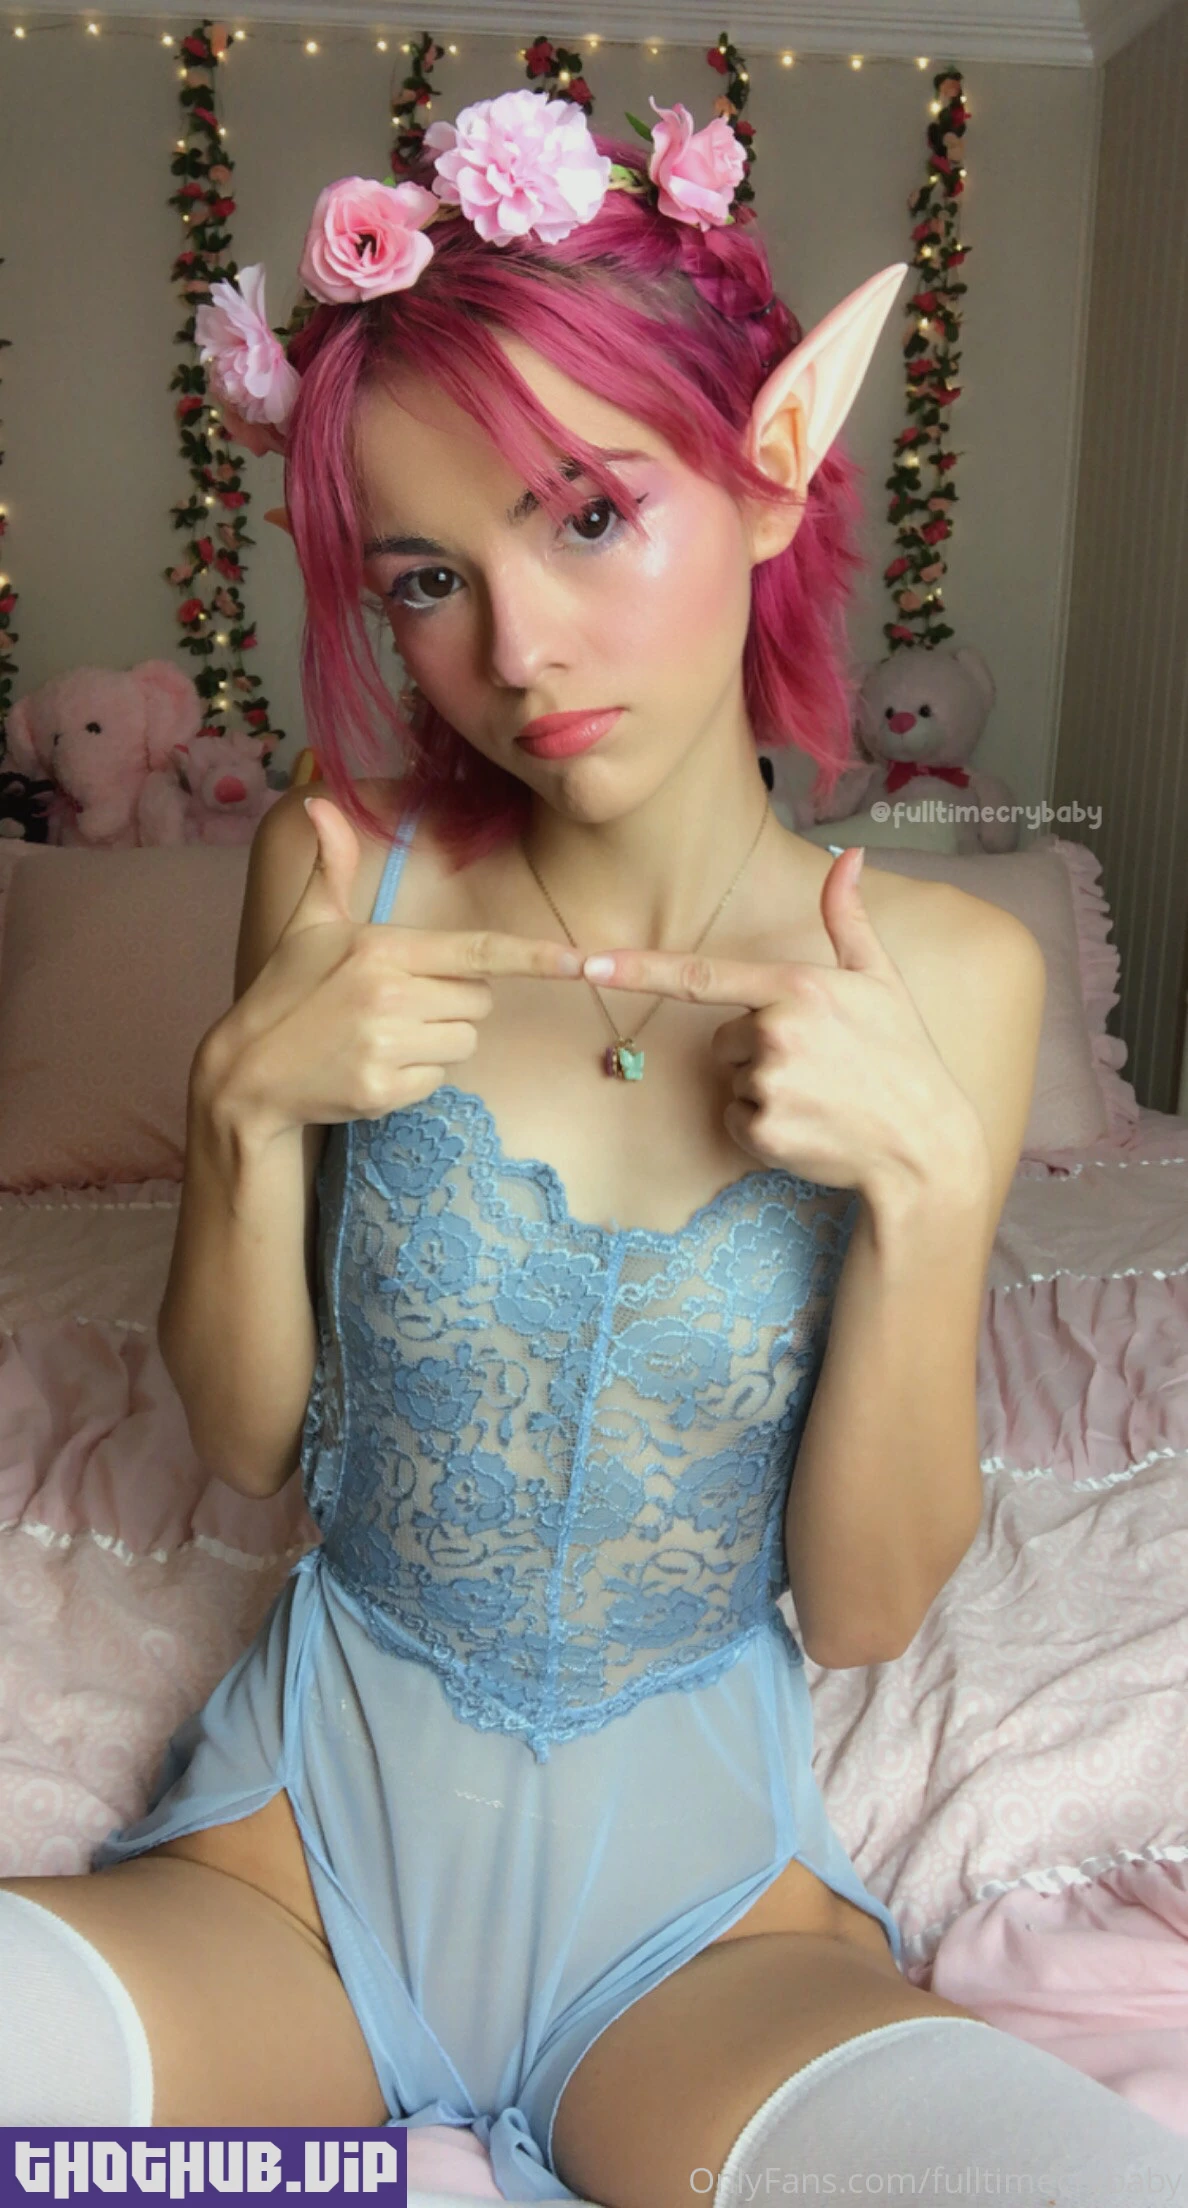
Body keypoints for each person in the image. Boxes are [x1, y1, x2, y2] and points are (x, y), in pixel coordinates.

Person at [3, 84, 1186, 2208]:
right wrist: (242, 1108)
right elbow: (250, 1447)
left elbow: (862, 1609)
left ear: (768, 471)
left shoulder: (949, 967)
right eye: (429, 577)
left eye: (587, 517)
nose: (515, 651)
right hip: (295, 1857)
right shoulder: (336, 871)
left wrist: (929, 1211)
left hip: (703, 1926)